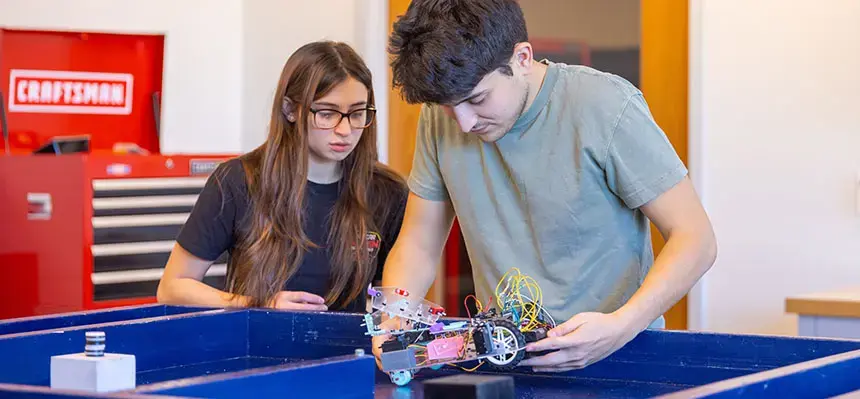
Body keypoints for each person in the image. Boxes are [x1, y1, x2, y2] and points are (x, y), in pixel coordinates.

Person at [375, 0, 717, 372]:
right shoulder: (442, 119)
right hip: (508, 358)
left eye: (477, 99)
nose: (464, 123)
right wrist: (396, 316)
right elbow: (420, 242)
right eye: (447, 107)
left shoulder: (604, 105)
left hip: (617, 356)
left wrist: (622, 326)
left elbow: (695, 238)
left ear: (522, 58)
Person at [157, 41, 408, 313]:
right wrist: (259, 304)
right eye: (326, 114)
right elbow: (172, 288)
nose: (345, 130)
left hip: (349, 352)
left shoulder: (387, 191)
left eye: (357, 113)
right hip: (260, 350)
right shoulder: (238, 182)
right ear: (290, 110)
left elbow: (395, 299)